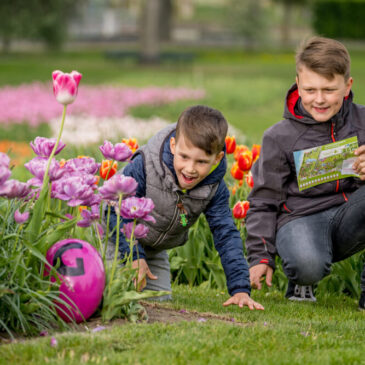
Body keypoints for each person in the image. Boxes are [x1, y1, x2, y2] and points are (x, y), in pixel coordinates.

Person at [245, 36, 365, 309]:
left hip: (350, 215)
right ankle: (301, 279)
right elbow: (263, 201)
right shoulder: (278, 137)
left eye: (329, 90)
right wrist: (261, 256)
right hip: (300, 220)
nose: (319, 99)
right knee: (307, 264)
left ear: (347, 86)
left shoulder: (363, 121)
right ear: (298, 84)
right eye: (310, 90)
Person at [108, 105, 264, 310]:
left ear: (217, 158)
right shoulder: (145, 165)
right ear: (173, 145)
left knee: (157, 303)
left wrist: (240, 289)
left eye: (201, 162)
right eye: (184, 157)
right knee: (113, 293)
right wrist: (135, 256)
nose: (190, 169)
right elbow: (115, 210)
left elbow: (225, 233)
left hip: (154, 249)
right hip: (115, 236)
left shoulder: (214, 188)